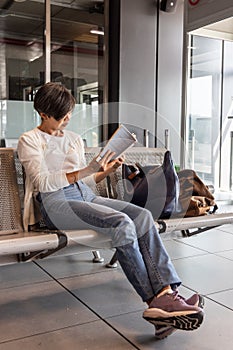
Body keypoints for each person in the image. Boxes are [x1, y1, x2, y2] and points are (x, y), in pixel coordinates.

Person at [17, 82, 204, 340]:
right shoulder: (30, 140)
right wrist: (87, 170)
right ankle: (156, 302)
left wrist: (104, 171)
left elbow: (83, 183)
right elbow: (43, 183)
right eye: (62, 115)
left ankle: (166, 295)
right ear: (43, 114)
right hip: (55, 204)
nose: (67, 118)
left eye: (70, 112)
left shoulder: (72, 139)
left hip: (83, 195)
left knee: (142, 216)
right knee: (122, 223)